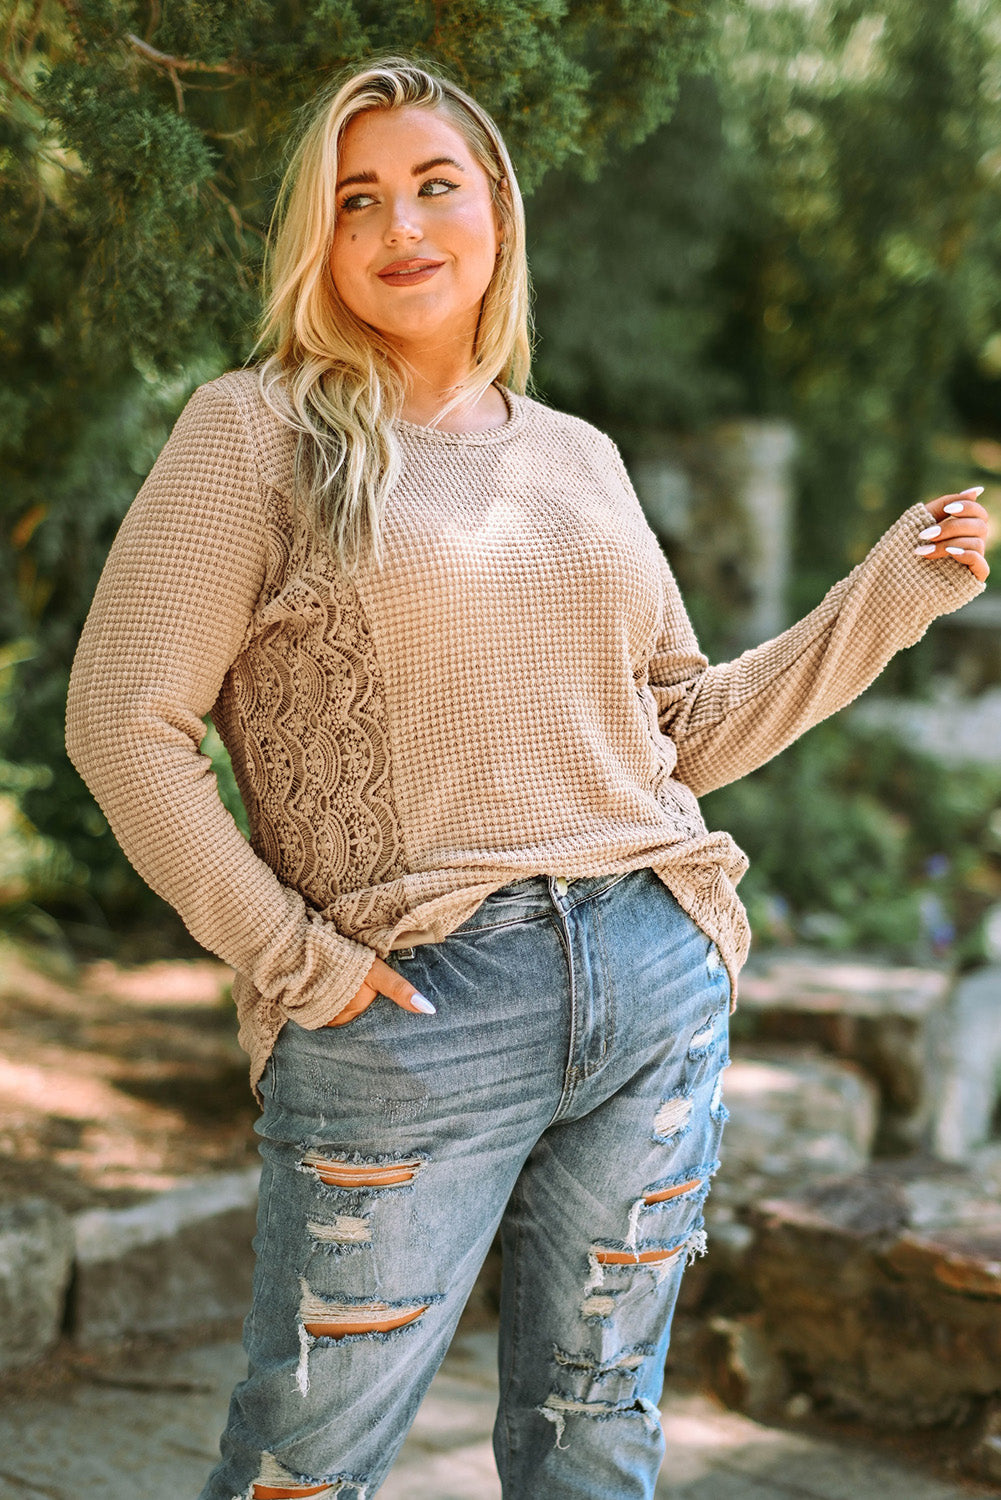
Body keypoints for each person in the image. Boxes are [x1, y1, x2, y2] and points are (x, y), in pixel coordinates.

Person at [64, 55, 989, 1500]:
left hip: (649, 974)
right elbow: (123, 724)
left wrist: (882, 596)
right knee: (305, 1462)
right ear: (320, 238)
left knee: (596, 1432)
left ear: (495, 206)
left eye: (434, 184)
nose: (398, 224)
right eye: (355, 198)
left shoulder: (578, 457)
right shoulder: (253, 433)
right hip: (411, 1006)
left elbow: (677, 733)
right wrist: (296, 963)